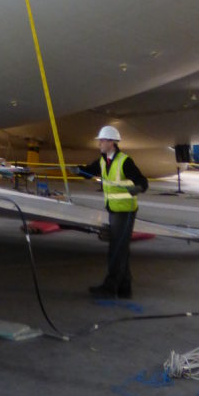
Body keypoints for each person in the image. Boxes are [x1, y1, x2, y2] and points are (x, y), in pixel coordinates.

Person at [77, 125, 148, 299]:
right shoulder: (103, 161)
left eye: (102, 140)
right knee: (120, 249)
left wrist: (137, 188)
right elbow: (89, 171)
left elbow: (142, 181)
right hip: (114, 209)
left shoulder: (124, 161)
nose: (99, 143)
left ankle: (110, 288)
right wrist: (77, 170)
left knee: (116, 250)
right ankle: (125, 288)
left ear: (111, 142)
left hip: (126, 211)